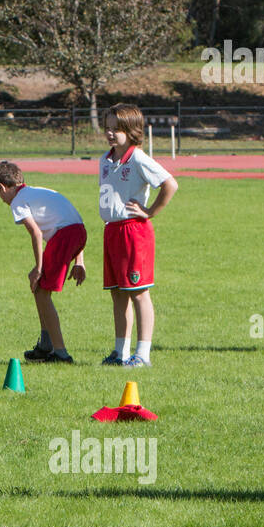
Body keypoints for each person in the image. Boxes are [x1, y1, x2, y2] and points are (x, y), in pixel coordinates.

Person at [99, 104, 178, 367]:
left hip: (133, 231)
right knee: (117, 293)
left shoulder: (139, 159)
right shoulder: (105, 159)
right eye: (107, 128)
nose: (110, 133)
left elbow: (170, 184)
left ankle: (142, 354)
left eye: (116, 129)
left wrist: (150, 211)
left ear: (131, 130)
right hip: (111, 230)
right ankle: (120, 352)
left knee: (138, 292)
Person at [0, 161, 87, 364]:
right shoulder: (37, 190)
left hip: (64, 236)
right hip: (78, 232)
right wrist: (79, 259)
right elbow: (74, 219)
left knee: (41, 291)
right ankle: (45, 345)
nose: (2, 199)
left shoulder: (17, 201)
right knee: (40, 290)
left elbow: (36, 232)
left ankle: (61, 353)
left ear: (3, 187)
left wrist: (39, 268)